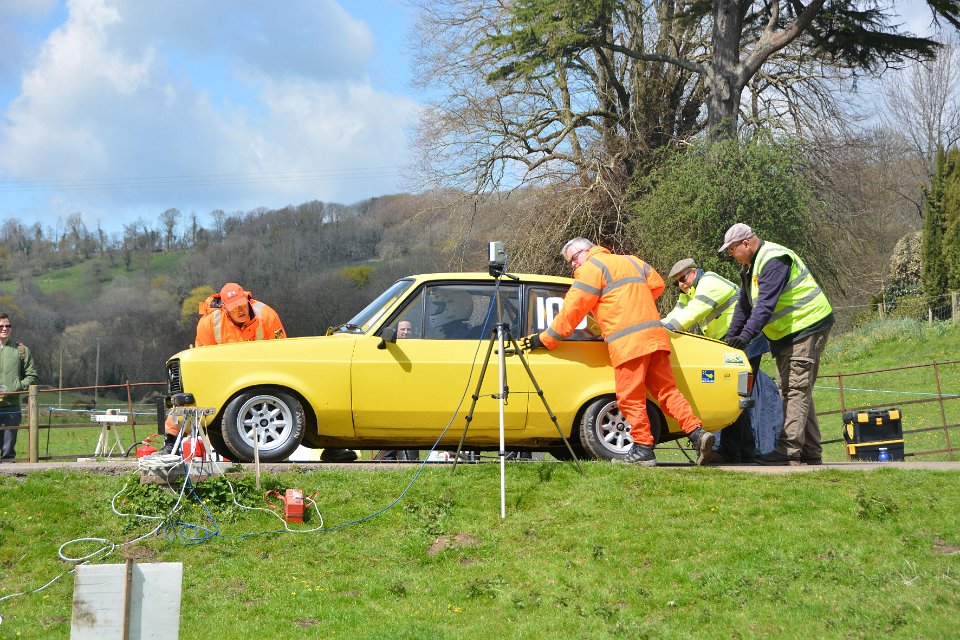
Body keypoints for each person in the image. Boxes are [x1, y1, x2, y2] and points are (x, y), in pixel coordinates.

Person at [520, 238, 715, 467]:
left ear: (586, 251)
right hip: (655, 337)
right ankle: (697, 433)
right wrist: (632, 303)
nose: (573, 266)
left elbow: (571, 313)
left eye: (573, 259)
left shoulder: (590, 270)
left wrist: (544, 339)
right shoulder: (631, 261)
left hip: (628, 343)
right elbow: (657, 285)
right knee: (667, 391)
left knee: (629, 398)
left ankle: (643, 449)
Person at [719, 223, 834, 465]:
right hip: (786, 335)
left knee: (794, 389)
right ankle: (811, 451)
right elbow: (744, 306)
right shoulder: (752, 267)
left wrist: (746, 336)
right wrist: (731, 336)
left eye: (732, 250)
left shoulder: (773, 260)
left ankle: (788, 451)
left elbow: (764, 306)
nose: (731, 255)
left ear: (746, 244)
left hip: (807, 327)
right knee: (797, 389)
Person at [662, 258, 768, 463]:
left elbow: (690, 315)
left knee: (733, 398)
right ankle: (744, 452)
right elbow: (676, 314)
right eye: (676, 283)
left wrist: (662, 330)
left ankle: (732, 452)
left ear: (693, 272)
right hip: (730, 346)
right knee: (736, 399)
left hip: (747, 342)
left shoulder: (709, 283)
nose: (681, 285)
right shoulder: (689, 292)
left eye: (683, 279)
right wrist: (656, 326)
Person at [0, 313, 38, 462]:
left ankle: (9, 480)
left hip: (11, 407)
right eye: (1, 326)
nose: (4, 328)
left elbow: (32, 376)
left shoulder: (21, 350)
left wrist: (17, 386)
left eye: (7, 326)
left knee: (7, 453)